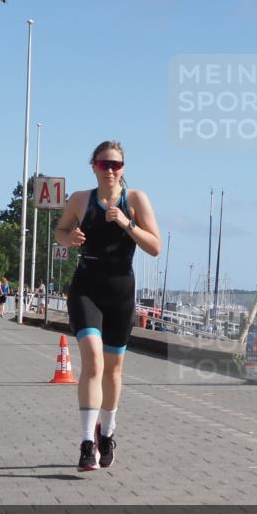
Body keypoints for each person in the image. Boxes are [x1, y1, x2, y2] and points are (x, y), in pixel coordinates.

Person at [54, 140, 160, 471]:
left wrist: (127, 224)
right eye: (104, 164)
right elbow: (60, 230)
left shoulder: (136, 200)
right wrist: (67, 239)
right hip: (86, 287)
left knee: (114, 370)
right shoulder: (80, 200)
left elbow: (155, 247)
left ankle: (107, 433)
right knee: (93, 363)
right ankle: (87, 443)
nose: (110, 170)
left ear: (123, 168)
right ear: (94, 167)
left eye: (116, 165)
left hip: (121, 291)